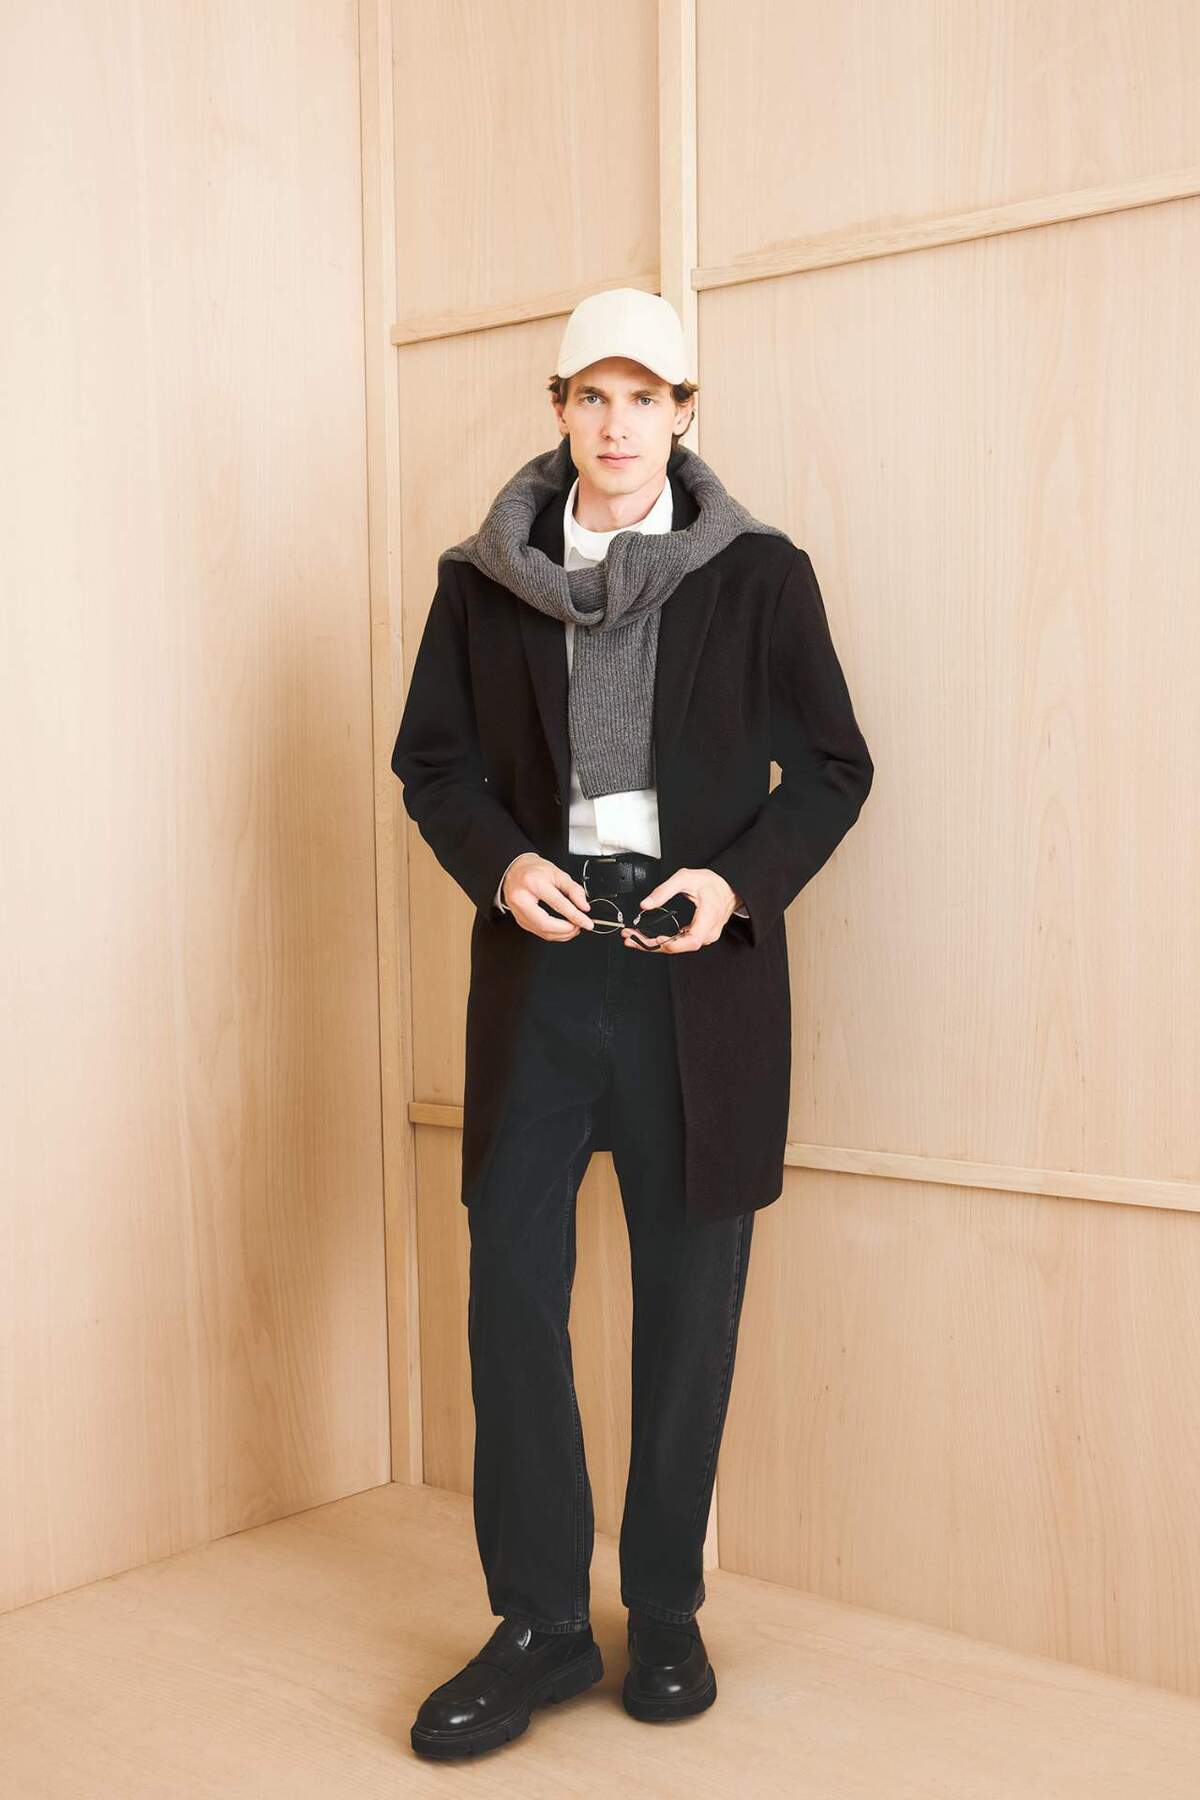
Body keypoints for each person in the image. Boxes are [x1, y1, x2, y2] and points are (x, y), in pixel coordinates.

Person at [392, 287, 874, 1760]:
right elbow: (433, 763)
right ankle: (541, 1623)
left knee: (688, 1303)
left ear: (685, 413)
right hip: (540, 975)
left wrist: (734, 887)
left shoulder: (762, 575)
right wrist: (502, 864)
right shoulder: (481, 582)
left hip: (696, 979)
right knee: (509, 1293)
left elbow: (836, 769)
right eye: (591, 397)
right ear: (558, 412)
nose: (617, 424)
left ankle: (663, 1608)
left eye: (644, 398)